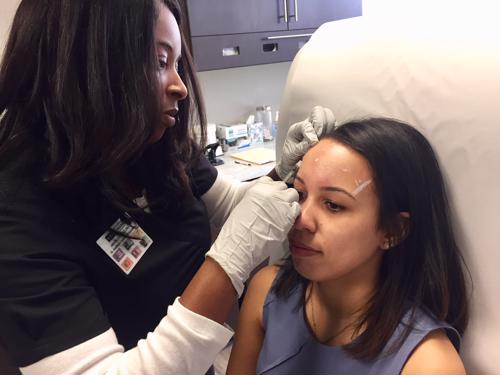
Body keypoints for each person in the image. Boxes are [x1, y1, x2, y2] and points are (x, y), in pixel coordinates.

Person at [0, 0, 333, 373]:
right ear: (87, 63)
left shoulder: (153, 144)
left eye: (177, 64)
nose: (181, 87)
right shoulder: (18, 212)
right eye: (160, 62)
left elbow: (231, 207)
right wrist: (230, 263)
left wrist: (282, 177)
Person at [227, 117, 470, 374]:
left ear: (393, 230)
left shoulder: (428, 363)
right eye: (300, 194)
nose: (300, 219)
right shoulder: (267, 291)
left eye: (333, 205)